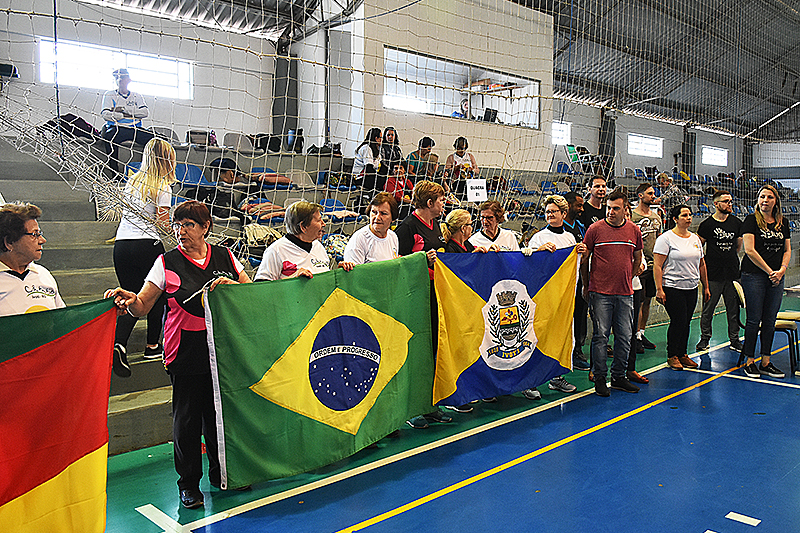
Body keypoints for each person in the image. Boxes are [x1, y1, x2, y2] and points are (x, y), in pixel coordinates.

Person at [105, 201, 252, 509]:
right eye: (176, 224)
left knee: (218, 416)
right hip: (184, 351)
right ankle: (188, 485)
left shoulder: (226, 257)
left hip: (220, 349)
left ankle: (221, 473)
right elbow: (142, 306)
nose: (180, 231)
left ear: (205, 227)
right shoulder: (165, 262)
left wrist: (233, 288)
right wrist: (128, 299)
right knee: (186, 420)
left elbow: (250, 295)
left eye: (188, 225)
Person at [112, 138, 175, 374]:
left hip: (122, 245)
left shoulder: (132, 182)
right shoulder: (162, 186)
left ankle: (119, 343)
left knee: (131, 296)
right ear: (167, 160)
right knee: (155, 295)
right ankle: (152, 346)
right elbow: (162, 221)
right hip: (147, 244)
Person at [395, 180, 451, 428]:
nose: (443, 204)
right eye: (440, 200)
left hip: (434, 292)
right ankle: (411, 409)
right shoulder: (407, 227)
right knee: (415, 352)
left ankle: (430, 405)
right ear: (429, 203)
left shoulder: (436, 224)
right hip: (414, 295)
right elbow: (397, 262)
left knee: (432, 350)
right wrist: (421, 259)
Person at [581, 189, 644, 396]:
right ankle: (599, 377)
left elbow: (637, 257)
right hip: (600, 292)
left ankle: (618, 377)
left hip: (625, 293)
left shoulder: (634, 230)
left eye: (615, 208)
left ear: (625, 209)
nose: (610, 212)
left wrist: (630, 277)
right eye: (608, 208)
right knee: (600, 336)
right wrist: (585, 284)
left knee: (625, 336)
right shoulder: (594, 229)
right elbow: (584, 259)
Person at [527, 195, 586, 395]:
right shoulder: (539, 238)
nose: (550, 215)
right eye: (547, 212)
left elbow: (574, 266)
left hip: (564, 298)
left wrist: (580, 251)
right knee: (538, 336)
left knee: (560, 336)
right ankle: (531, 381)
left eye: (554, 211)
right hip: (542, 297)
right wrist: (539, 251)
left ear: (563, 213)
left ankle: (556, 377)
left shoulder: (570, 237)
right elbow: (527, 262)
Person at [740, 185, 791, 378]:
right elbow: (750, 250)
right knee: (754, 319)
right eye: (762, 197)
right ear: (758, 200)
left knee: (770, 320)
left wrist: (782, 270)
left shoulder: (782, 222)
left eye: (769, 197)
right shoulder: (751, 220)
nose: (765, 200)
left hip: (777, 276)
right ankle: (749, 361)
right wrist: (771, 271)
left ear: (775, 201)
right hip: (754, 275)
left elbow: (787, 250)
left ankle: (766, 361)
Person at [653, 205, 710, 371]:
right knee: (678, 321)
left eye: (690, 215)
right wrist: (659, 288)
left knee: (686, 322)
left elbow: (701, 264)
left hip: (691, 287)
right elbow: (658, 265)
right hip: (672, 287)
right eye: (684, 215)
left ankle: (683, 353)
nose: (689, 217)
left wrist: (705, 286)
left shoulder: (695, 239)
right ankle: (672, 355)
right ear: (675, 219)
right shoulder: (665, 239)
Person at [254, 201, 355, 281]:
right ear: (303, 227)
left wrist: (340, 272)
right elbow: (262, 289)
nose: (323, 224)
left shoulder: (317, 246)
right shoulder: (276, 250)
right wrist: (292, 279)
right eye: (319, 220)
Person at [696, 189, 743, 352]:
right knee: (708, 309)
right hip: (713, 275)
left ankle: (735, 339)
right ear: (716, 204)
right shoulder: (706, 225)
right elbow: (698, 248)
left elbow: (738, 247)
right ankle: (704, 338)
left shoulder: (736, 223)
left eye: (731, 201)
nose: (730, 204)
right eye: (726, 201)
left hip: (732, 274)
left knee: (733, 308)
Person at [0, 202, 65, 315]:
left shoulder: (43, 274)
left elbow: (63, 320)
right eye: (34, 235)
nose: (42, 240)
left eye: (39, 233)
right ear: (9, 242)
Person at [100, 68, 154, 175]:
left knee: (153, 139)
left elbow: (145, 113)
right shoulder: (109, 94)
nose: (120, 80)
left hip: (135, 129)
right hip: (117, 128)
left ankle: (147, 171)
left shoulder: (136, 96)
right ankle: (115, 173)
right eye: (117, 78)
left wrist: (125, 110)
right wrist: (124, 115)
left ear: (128, 80)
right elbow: (105, 114)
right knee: (109, 138)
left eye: (123, 78)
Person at [631, 182, 662, 353]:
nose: (653, 195)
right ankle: (634, 336)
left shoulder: (656, 218)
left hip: (653, 265)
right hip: (639, 265)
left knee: (648, 301)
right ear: (640, 195)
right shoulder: (633, 217)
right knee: (638, 301)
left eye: (653, 193)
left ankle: (642, 333)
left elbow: (659, 239)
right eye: (650, 193)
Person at [562, 192, 590, 370]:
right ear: (568, 205)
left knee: (580, 314)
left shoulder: (580, 226)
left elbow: (586, 253)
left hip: (580, 278)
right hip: (563, 282)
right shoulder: (559, 228)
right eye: (578, 205)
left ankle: (577, 350)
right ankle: (565, 350)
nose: (581, 209)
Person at [343, 193, 399, 265]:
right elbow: (354, 274)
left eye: (383, 213)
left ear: (393, 218)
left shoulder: (393, 237)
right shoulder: (359, 239)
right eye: (374, 212)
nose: (377, 217)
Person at [352, 127, 383, 195]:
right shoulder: (366, 148)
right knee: (380, 180)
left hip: (368, 176)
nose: (381, 139)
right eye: (380, 137)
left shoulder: (376, 150)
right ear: (376, 138)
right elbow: (369, 168)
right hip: (360, 177)